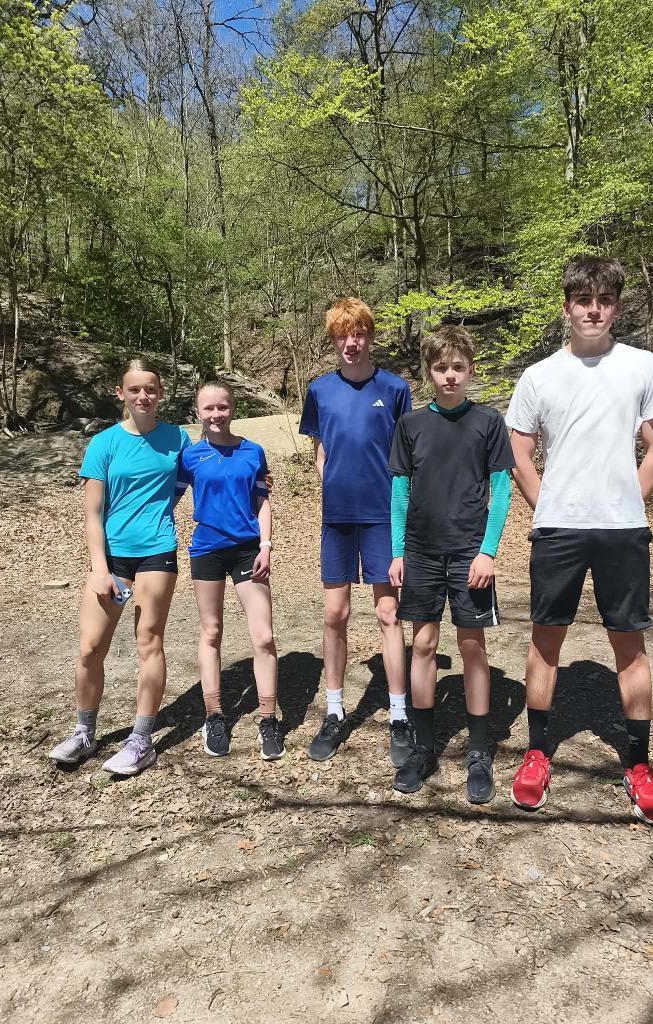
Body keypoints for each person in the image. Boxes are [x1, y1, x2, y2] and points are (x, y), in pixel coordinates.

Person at [505, 255, 653, 825]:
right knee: (545, 638)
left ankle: (640, 765)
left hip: (623, 530)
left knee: (629, 643)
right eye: (583, 300)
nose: (593, 310)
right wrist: (547, 504)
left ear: (616, 308)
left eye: (604, 300)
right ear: (567, 308)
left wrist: (630, 499)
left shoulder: (642, 365)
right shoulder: (539, 376)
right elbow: (519, 451)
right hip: (559, 529)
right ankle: (536, 754)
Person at [388, 326, 515, 803]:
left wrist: (487, 551)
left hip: (469, 553)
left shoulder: (488, 422)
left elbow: (500, 489)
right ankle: (423, 748)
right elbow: (399, 492)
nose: (449, 376)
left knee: (471, 645)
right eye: (441, 367)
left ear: (470, 370)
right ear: (429, 372)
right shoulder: (411, 425)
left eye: (458, 367)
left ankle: (479, 753)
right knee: (423, 644)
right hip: (421, 552)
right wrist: (398, 551)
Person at [49, 359, 191, 775]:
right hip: (112, 556)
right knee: (91, 647)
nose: (143, 396)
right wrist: (99, 568)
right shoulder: (104, 443)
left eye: (151, 389)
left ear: (160, 393)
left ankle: (141, 741)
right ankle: (84, 733)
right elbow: (93, 513)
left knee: (149, 640)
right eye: (135, 389)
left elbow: (194, 478)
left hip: (157, 550)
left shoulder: (178, 438)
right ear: (121, 393)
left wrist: (256, 482)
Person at [299, 297, 412, 765]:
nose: (352, 342)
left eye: (359, 333)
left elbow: (406, 455)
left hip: (383, 516)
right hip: (338, 517)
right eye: (343, 335)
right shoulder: (319, 390)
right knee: (335, 614)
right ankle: (334, 710)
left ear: (370, 336)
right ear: (333, 340)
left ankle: (400, 715)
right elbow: (320, 447)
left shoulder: (395, 388)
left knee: (388, 614)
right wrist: (328, 482)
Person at [178, 381, 284, 761]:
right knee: (211, 632)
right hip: (207, 551)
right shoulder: (189, 456)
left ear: (232, 408)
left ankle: (268, 718)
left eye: (222, 407)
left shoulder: (253, 451)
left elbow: (262, 502)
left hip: (247, 551)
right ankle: (214, 716)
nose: (216, 414)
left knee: (264, 635)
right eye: (208, 408)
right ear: (197, 413)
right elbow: (166, 498)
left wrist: (266, 545)